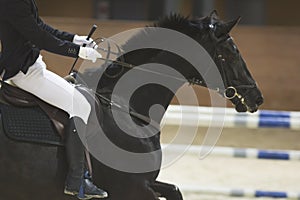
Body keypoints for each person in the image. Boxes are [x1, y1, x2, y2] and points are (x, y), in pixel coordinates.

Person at [0, 0, 108, 199]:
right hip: (24, 71)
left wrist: (75, 39)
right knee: (81, 105)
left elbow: (40, 26)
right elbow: (39, 37)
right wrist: (77, 52)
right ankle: (77, 181)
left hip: (32, 65)